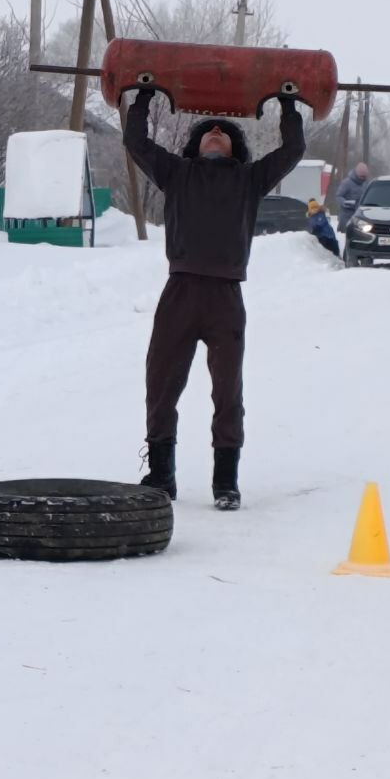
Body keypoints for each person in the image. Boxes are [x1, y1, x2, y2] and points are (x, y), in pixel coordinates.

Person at [123, 89, 305, 510]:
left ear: (235, 147)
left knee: (228, 392)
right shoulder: (176, 173)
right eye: (208, 130)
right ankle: (161, 475)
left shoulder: (250, 179)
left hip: (225, 298)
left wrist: (289, 105)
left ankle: (226, 482)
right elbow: (136, 143)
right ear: (196, 144)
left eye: (224, 130)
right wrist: (143, 98)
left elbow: (294, 149)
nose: (216, 130)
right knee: (161, 385)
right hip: (180, 293)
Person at [336, 162, 369, 234]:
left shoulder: (365, 184)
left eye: (365, 177)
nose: (363, 179)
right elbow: (338, 196)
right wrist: (344, 202)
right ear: (357, 175)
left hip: (359, 217)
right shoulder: (346, 183)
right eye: (362, 177)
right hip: (346, 217)